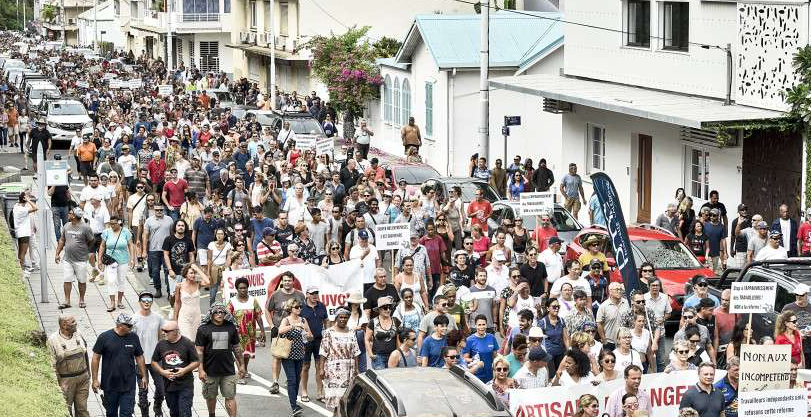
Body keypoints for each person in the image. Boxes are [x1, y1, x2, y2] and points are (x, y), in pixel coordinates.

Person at [91, 313, 149, 417]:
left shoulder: (133, 337)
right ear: (121, 325)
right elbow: (95, 358)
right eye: (129, 326)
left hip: (128, 385)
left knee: (126, 414)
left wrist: (144, 376)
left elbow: (139, 357)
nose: (132, 328)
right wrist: (95, 379)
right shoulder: (104, 337)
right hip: (110, 384)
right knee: (111, 413)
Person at [195, 303, 245, 417]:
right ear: (211, 314)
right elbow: (199, 351)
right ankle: (211, 415)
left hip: (228, 370)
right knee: (211, 396)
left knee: (230, 396)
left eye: (222, 312)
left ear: (225, 313)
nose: (219, 314)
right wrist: (201, 369)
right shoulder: (203, 329)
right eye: (216, 312)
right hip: (210, 371)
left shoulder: (231, 327)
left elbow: (237, 347)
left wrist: (242, 365)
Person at [265, 272, 305, 394]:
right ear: (282, 281)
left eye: (289, 280)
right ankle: (275, 382)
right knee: (277, 357)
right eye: (285, 280)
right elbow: (267, 310)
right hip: (280, 331)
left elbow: (303, 311)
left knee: (294, 357)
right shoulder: (276, 295)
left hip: (296, 332)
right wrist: (272, 326)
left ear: (293, 281)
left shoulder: (300, 295)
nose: (287, 282)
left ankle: (290, 380)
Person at [151, 320, 200, 417]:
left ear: (175, 331)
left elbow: (196, 362)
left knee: (185, 412)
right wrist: (162, 372)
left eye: (166, 331)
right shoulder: (161, 344)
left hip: (185, 385)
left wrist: (184, 370)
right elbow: (154, 361)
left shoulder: (187, 343)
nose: (163, 333)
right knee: (174, 413)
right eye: (162, 330)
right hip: (169, 386)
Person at [47, 315, 90, 417]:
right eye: (73, 322)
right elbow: (51, 365)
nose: (76, 323)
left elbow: (85, 354)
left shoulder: (78, 333)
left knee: (82, 409)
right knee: (66, 410)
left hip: (83, 379)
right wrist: (57, 385)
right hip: (66, 381)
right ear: (64, 325)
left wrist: (89, 374)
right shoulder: (53, 340)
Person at [226, 277, 266, 384]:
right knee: (239, 354)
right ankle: (241, 375)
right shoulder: (232, 302)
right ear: (237, 289)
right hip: (236, 334)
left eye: (245, 288)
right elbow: (227, 318)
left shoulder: (253, 300)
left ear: (248, 288)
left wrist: (262, 331)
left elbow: (258, 317)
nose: (243, 290)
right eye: (240, 288)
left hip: (250, 333)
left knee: (247, 354)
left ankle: (245, 369)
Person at [132, 292, 167, 417]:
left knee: (162, 388)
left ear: (152, 302)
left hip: (156, 360)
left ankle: (157, 407)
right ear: (139, 302)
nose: (146, 302)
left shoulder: (158, 318)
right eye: (144, 300)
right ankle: (144, 414)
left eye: (149, 300)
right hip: (140, 360)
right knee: (143, 391)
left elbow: (162, 336)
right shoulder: (134, 319)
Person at [277, 297, 312, 416]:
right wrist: (294, 326)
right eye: (296, 307)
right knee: (292, 380)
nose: (299, 309)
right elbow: (280, 331)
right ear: (290, 308)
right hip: (287, 355)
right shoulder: (286, 320)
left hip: (300, 354)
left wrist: (307, 335)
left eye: (300, 307)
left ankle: (295, 403)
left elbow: (310, 335)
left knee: (297, 380)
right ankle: (294, 406)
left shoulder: (303, 320)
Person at [321, 307, 361, 410]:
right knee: (336, 401)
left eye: (345, 317)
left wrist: (357, 368)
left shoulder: (351, 332)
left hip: (349, 369)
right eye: (341, 317)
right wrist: (321, 369)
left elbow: (356, 351)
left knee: (346, 399)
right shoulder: (328, 332)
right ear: (336, 318)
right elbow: (323, 351)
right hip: (334, 370)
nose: (343, 319)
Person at [54, 207, 95, 309]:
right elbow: (62, 240)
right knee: (67, 279)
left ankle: (81, 299)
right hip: (68, 259)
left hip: (81, 259)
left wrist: (87, 250)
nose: (68, 214)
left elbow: (92, 240)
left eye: (70, 213)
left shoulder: (85, 228)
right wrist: (57, 253)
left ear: (75, 216)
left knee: (82, 280)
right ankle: (67, 301)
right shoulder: (67, 226)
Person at [98, 215, 136, 312]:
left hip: (123, 260)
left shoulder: (126, 232)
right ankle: (112, 302)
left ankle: (119, 301)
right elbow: (102, 246)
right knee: (111, 281)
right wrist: (99, 260)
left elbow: (130, 245)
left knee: (121, 281)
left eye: (114, 224)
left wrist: (132, 258)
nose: (112, 226)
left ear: (119, 223)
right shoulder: (106, 232)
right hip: (110, 261)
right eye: (111, 224)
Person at [300, 286, 328, 401]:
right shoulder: (301, 308)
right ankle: (304, 391)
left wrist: (328, 335)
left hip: (319, 340)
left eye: (316, 293)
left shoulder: (322, 306)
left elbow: (326, 320)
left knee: (319, 366)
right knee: (305, 366)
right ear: (307, 295)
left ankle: (319, 392)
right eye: (312, 293)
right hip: (306, 341)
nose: (315, 295)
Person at [143, 205, 174, 299]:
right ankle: (158, 290)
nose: (159, 211)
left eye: (161, 210)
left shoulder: (169, 220)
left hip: (166, 250)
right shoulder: (149, 220)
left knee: (167, 271)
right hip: (153, 250)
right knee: (155, 271)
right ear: (154, 210)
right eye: (157, 210)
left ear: (163, 210)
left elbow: (172, 234)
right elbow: (145, 236)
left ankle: (169, 292)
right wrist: (144, 251)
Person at [174, 264, 209, 343]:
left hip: (196, 317)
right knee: (187, 341)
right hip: (184, 317)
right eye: (191, 273)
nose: (193, 275)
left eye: (194, 273)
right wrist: (175, 319)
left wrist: (198, 269)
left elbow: (208, 282)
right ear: (185, 274)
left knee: (196, 342)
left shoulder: (198, 284)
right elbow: (177, 303)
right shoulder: (179, 286)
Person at [366, 297, 401, 370]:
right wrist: (370, 354)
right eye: (385, 308)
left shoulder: (396, 320)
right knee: (381, 379)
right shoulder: (373, 322)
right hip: (378, 357)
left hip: (393, 355)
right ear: (379, 309)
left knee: (393, 378)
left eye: (390, 307)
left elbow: (398, 338)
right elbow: (367, 339)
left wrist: (398, 352)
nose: (388, 310)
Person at [462, 315, 499, 382]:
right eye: (479, 325)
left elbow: (495, 357)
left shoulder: (492, 337)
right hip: (476, 375)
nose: (481, 327)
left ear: (486, 325)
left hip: (489, 375)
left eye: (483, 324)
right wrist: (473, 359)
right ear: (475, 325)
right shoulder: (469, 340)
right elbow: (464, 359)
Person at [782, 283, 811, 367]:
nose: (798, 297)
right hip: (793, 349)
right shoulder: (788, 308)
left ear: (806, 295)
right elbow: (780, 326)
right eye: (796, 294)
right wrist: (797, 333)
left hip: (809, 347)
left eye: (801, 295)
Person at [597, 282, 630, 351]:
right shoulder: (604, 306)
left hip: (625, 341)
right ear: (610, 292)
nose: (619, 291)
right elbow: (599, 323)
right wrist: (604, 340)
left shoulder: (627, 303)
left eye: (621, 289)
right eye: (617, 289)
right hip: (609, 342)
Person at [12, 191, 37, 274]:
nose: (28, 197)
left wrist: (25, 199)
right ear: (24, 199)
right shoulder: (23, 210)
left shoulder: (16, 206)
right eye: (26, 196)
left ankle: (20, 267)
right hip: (25, 233)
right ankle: (22, 269)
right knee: (23, 252)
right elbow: (35, 208)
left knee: (20, 251)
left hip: (19, 232)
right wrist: (29, 201)